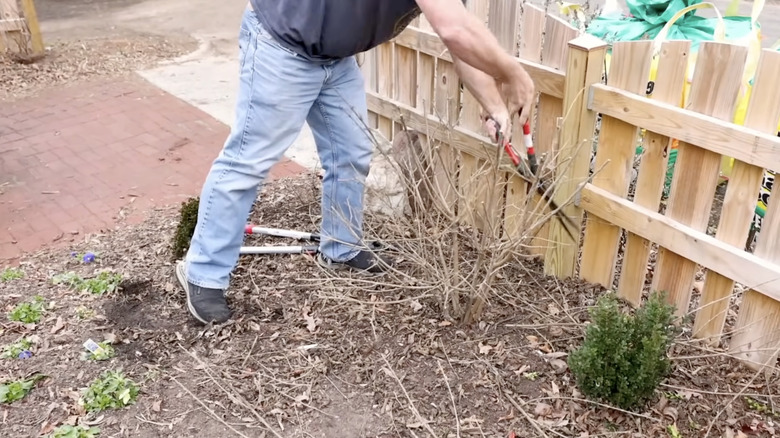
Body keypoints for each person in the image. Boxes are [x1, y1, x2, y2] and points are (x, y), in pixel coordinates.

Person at [175, 0, 536, 325]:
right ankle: (203, 273)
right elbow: (454, 31)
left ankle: (341, 247)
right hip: (282, 45)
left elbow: (460, 42)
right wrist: (514, 74)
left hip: (336, 59)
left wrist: (496, 106)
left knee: (351, 154)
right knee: (248, 162)